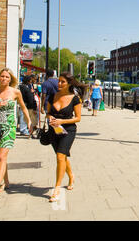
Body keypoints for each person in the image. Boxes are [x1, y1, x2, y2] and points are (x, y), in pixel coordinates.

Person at [0, 68, 32, 201]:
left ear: (10, 79)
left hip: (9, 128)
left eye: (7, 77)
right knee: (0, 158)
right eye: (2, 76)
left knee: (2, 156)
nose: (4, 79)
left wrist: (28, 121)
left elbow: (23, 107)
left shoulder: (15, 92)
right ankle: (6, 181)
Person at [46, 72, 86, 202]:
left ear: (69, 83)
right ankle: (71, 176)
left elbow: (78, 118)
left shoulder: (75, 98)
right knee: (62, 156)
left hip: (68, 130)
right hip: (54, 130)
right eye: (59, 81)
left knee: (59, 156)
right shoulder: (52, 96)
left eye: (62, 82)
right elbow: (47, 113)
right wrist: (50, 117)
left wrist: (61, 121)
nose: (59, 84)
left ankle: (57, 188)